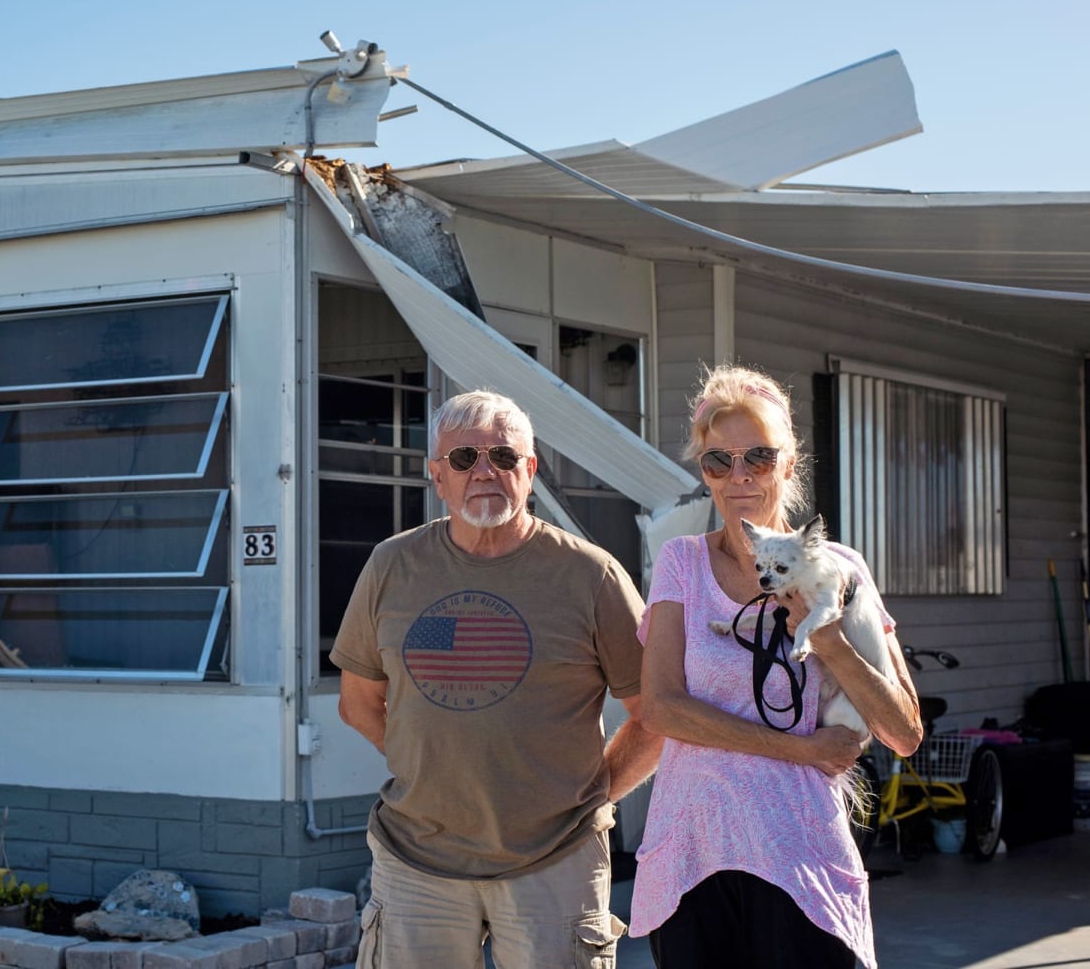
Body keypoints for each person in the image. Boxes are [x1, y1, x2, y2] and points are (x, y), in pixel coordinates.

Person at [331, 389, 662, 968]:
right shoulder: (392, 566)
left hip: (556, 860)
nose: (484, 471)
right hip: (416, 859)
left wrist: (588, 796)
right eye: (464, 460)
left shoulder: (593, 575)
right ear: (438, 476)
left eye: (504, 458)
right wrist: (426, 763)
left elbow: (655, 715)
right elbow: (359, 703)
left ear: (529, 470)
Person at [631, 364, 924, 969]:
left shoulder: (841, 569)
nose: (738, 476)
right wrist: (802, 749)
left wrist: (830, 640)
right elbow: (661, 707)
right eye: (719, 461)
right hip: (694, 854)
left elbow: (904, 733)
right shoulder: (682, 563)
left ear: (789, 464)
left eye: (758, 458)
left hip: (800, 853)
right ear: (704, 473)